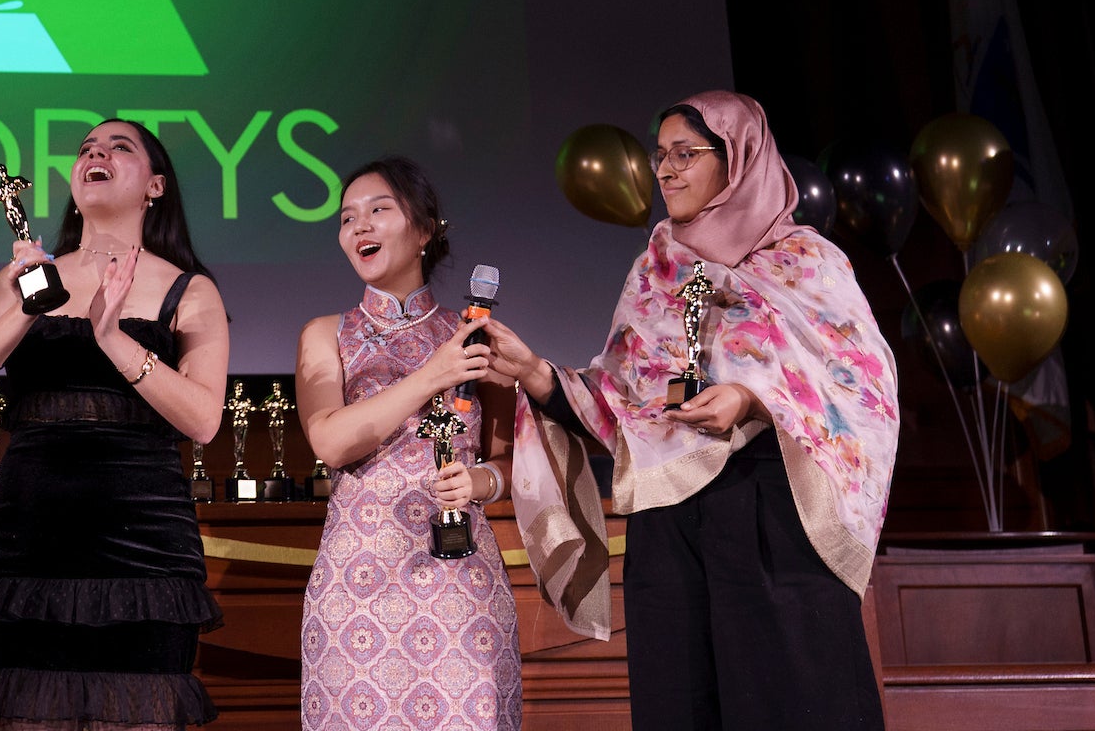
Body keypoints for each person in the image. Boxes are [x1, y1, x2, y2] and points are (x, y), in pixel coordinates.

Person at [483, 92, 899, 731]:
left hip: (772, 515)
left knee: (792, 702)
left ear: (738, 160)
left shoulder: (807, 261)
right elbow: (621, 400)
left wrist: (751, 398)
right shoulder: (657, 270)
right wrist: (536, 372)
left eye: (686, 154)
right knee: (680, 703)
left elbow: (863, 387)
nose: (666, 171)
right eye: (660, 157)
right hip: (670, 526)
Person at [0, 119, 231, 729]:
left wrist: (111, 338)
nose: (96, 154)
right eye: (87, 149)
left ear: (155, 186)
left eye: (119, 148)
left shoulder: (188, 288)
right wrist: (26, 306)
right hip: (30, 535)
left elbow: (204, 419)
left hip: (144, 542)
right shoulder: (22, 276)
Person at [295, 156, 521, 730]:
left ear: (424, 230)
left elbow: (508, 460)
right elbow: (331, 441)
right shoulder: (326, 334)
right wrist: (430, 376)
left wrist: (482, 481)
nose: (360, 227)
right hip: (356, 581)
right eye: (347, 218)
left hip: (457, 579)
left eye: (379, 210)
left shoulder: (476, 335)